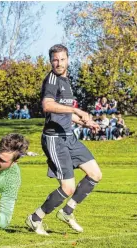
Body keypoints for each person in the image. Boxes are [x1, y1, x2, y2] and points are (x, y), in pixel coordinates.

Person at [25, 44, 102, 236]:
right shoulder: (52, 80)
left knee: (95, 174)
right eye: (55, 60)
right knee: (67, 187)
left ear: (68, 59)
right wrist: (76, 110)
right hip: (54, 139)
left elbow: (65, 112)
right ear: (51, 61)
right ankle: (35, 218)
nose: (58, 63)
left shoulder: (66, 81)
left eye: (62, 59)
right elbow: (47, 105)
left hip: (69, 136)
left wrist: (85, 123)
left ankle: (67, 212)